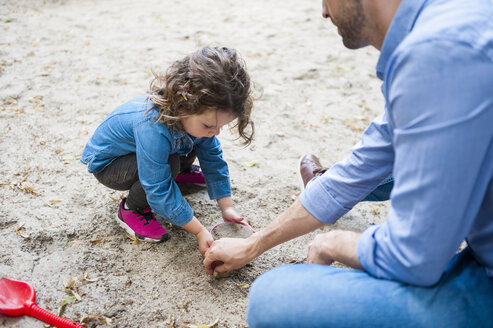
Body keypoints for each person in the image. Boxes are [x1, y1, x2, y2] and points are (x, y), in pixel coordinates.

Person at [203, 0, 493, 326]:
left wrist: (334, 242)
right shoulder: (451, 19)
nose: (324, 11)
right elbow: (355, 171)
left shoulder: (435, 55)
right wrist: (252, 245)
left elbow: (412, 258)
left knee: (272, 298)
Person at [81, 47, 254, 256]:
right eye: (210, 125)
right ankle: (131, 209)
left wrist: (227, 207)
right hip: (110, 165)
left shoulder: (195, 119)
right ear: (183, 107)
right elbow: (157, 186)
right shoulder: (151, 126)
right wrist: (199, 231)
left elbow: (213, 158)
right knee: (168, 167)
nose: (216, 132)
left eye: (221, 126)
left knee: (201, 140)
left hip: (157, 148)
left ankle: (179, 172)